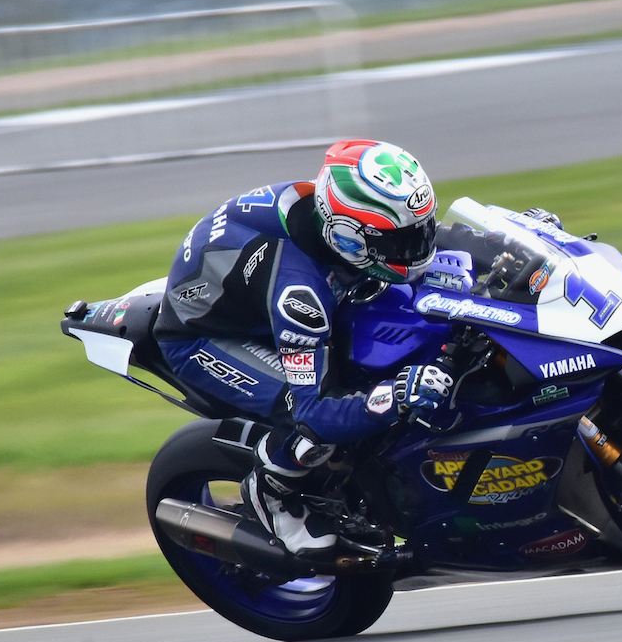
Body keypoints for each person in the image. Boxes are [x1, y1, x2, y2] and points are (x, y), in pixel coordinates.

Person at [154, 139, 456, 558]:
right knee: (313, 418)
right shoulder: (300, 295)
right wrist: (396, 397)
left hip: (246, 291)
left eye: (422, 230)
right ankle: (272, 492)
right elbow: (315, 412)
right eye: (401, 241)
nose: (418, 247)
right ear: (349, 239)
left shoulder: (339, 216)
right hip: (205, 337)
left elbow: (446, 241)